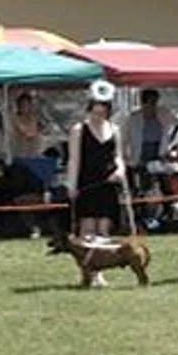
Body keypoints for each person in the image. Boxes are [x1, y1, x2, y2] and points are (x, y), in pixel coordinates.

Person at [66, 86, 127, 242]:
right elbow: (74, 160)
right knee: (88, 230)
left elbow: (118, 156)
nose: (98, 117)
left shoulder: (115, 130)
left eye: (102, 113)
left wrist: (120, 170)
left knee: (104, 229)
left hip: (108, 183)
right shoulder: (79, 130)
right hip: (87, 183)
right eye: (95, 113)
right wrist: (72, 185)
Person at [125, 89, 176, 170]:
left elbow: (177, 123)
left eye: (155, 101)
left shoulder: (163, 112)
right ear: (143, 101)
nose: (153, 103)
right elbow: (127, 136)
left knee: (159, 171)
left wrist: (171, 138)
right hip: (143, 148)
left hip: (159, 147)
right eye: (151, 101)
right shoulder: (135, 116)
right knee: (143, 171)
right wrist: (127, 153)